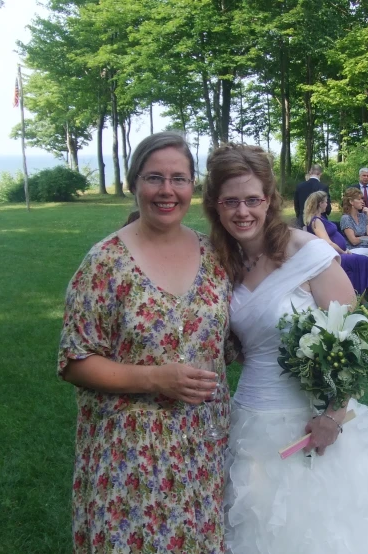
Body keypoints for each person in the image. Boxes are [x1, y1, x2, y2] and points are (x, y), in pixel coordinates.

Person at [202, 143, 368, 554]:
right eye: (231, 201)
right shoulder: (221, 262)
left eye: (253, 199)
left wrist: (332, 415)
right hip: (248, 422)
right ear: (215, 205)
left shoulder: (306, 253)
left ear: (270, 200)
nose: (243, 211)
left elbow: (357, 340)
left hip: (314, 424)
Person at [57, 132, 233, 554]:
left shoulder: (214, 256)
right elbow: (75, 360)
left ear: (194, 186)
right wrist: (156, 378)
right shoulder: (105, 262)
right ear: (135, 183)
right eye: (155, 178)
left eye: (180, 178)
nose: (167, 190)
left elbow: (227, 340)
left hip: (204, 446)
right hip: (132, 455)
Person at [304, 190, 368, 294]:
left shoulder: (321, 218)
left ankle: (360, 294)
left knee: (362, 261)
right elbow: (328, 242)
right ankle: (360, 293)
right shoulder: (316, 221)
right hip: (335, 254)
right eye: (326, 202)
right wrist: (343, 251)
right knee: (364, 260)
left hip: (340, 252)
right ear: (320, 204)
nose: (327, 204)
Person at [339, 187, 368, 259]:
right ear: (351, 202)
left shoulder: (362, 216)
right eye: (359, 199)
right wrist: (366, 238)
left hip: (367, 247)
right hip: (354, 250)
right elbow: (354, 241)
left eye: (362, 199)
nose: (362, 201)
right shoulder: (346, 218)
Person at [293, 164, 330, 228]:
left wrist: (299, 216)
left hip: (303, 220)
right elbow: (327, 207)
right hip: (320, 221)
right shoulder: (323, 187)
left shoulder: (300, 186)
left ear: (310, 172)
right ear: (320, 174)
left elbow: (296, 204)